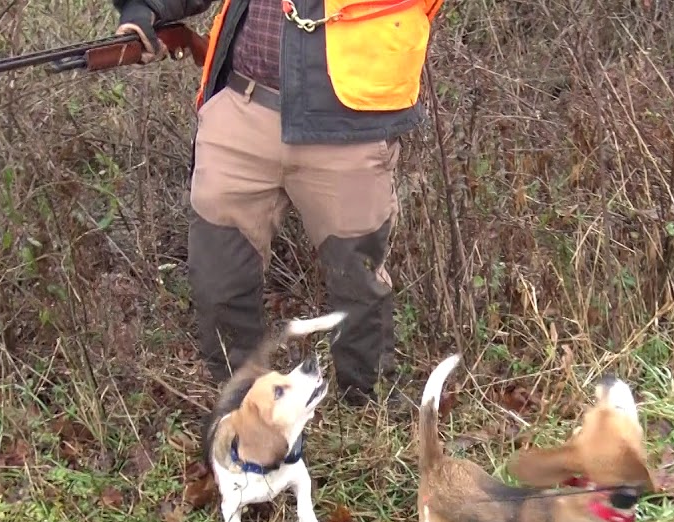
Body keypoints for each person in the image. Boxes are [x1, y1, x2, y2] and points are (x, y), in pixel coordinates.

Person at [111, 0, 445, 408]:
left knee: (356, 277)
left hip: (350, 123)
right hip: (244, 105)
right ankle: (245, 409)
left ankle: (370, 403)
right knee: (218, 276)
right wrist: (147, 8)